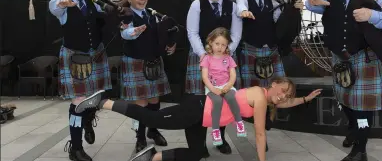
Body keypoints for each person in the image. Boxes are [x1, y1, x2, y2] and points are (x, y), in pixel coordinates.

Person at [74, 77, 322, 161]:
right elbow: (259, 133)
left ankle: (152, 156)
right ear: (274, 83)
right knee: (153, 118)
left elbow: (287, 102)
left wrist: (305, 98)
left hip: (201, 120)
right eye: (283, 90)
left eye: (287, 95)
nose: (284, 96)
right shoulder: (258, 95)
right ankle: (102, 102)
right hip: (198, 109)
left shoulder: (266, 98)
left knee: (197, 154)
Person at [305, 0, 382, 161]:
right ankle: (353, 128)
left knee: (363, 108)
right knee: (345, 102)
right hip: (340, 58)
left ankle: (361, 148)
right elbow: (310, 3)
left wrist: (371, 15)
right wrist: (312, 1)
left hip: (365, 58)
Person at [49, 0, 113, 161]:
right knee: (78, 102)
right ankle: (76, 148)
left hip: (97, 55)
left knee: (94, 99)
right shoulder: (60, 1)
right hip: (75, 57)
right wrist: (62, 4)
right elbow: (54, 7)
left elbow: (102, 16)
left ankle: (87, 120)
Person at [185, 0, 242, 154]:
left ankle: (220, 139)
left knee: (223, 97)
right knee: (199, 100)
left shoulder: (232, 6)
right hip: (200, 56)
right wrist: (203, 54)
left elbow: (235, 33)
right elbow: (192, 32)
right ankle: (199, 144)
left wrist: (226, 52)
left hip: (223, 58)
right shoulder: (197, 5)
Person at [119, 0, 175, 153]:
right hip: (135, 62)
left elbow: (163, 33)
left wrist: (170, 44)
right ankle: (140, 137)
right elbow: (125, 33)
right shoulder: (125, 15)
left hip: (154, 61)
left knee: (155, 101)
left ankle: (153, 129)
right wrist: (133, 32)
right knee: (140, 104)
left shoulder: (152, 14)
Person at [235, 0, 304, 88]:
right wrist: (244, 11)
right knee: (252, 95)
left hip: (272, 51)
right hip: (251, 52)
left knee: (277, 92)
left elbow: (280, 22)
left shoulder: (273, 0)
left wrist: (295, 11)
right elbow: (240, 6)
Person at [201, 27, 246, 146]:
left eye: (223, 45)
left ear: (227, 46)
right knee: (217, 101)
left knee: (231, 97)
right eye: (217, 44)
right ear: (210, 42)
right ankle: (215, 130)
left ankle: (239, 122)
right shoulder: (207, 58)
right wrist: (213, 89)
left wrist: (229, 86)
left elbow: (233, 75)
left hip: (226, 85)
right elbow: (205, 77)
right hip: (212, 87)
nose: (220, 47)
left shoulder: (228, 58)